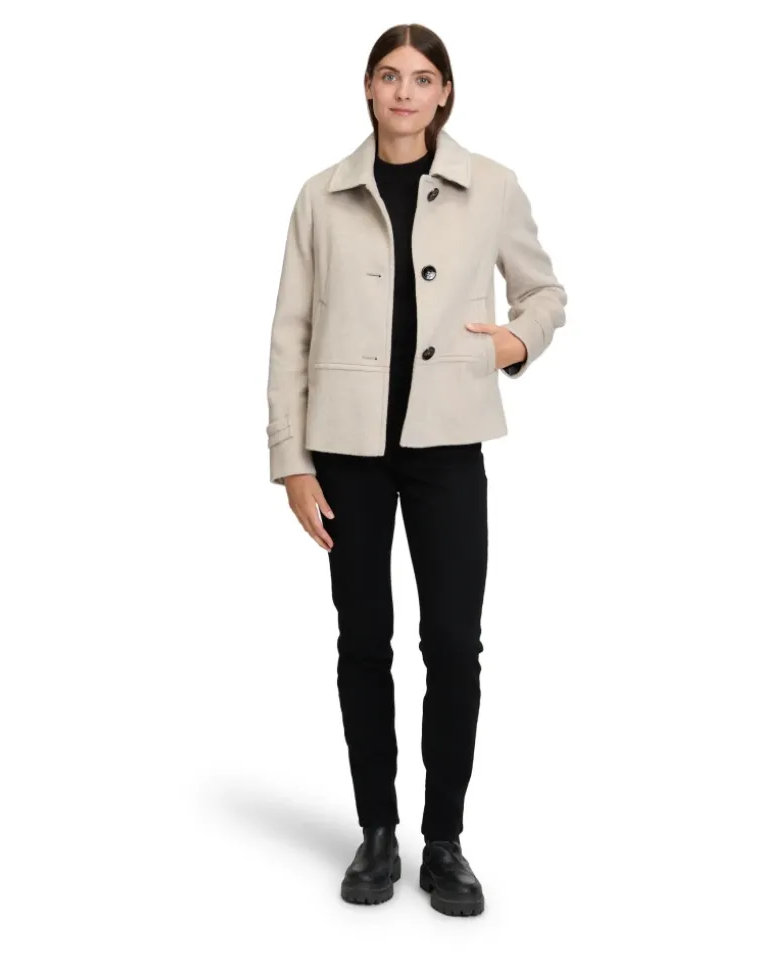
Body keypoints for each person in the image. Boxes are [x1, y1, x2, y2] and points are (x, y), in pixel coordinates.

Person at [264, 23, 567, 917]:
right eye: (390, 75)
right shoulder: (321, 196)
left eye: (423, 77)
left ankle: (444, 839)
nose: (405, 92)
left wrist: (516, 341)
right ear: (368, 87)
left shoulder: (492, 186)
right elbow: (289, 334)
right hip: (347, 453)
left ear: (445, 93)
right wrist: (291, 461)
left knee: (455, 647)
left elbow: (545, 293)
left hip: (448, 447)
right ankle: (376, 832)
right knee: (363, 642)